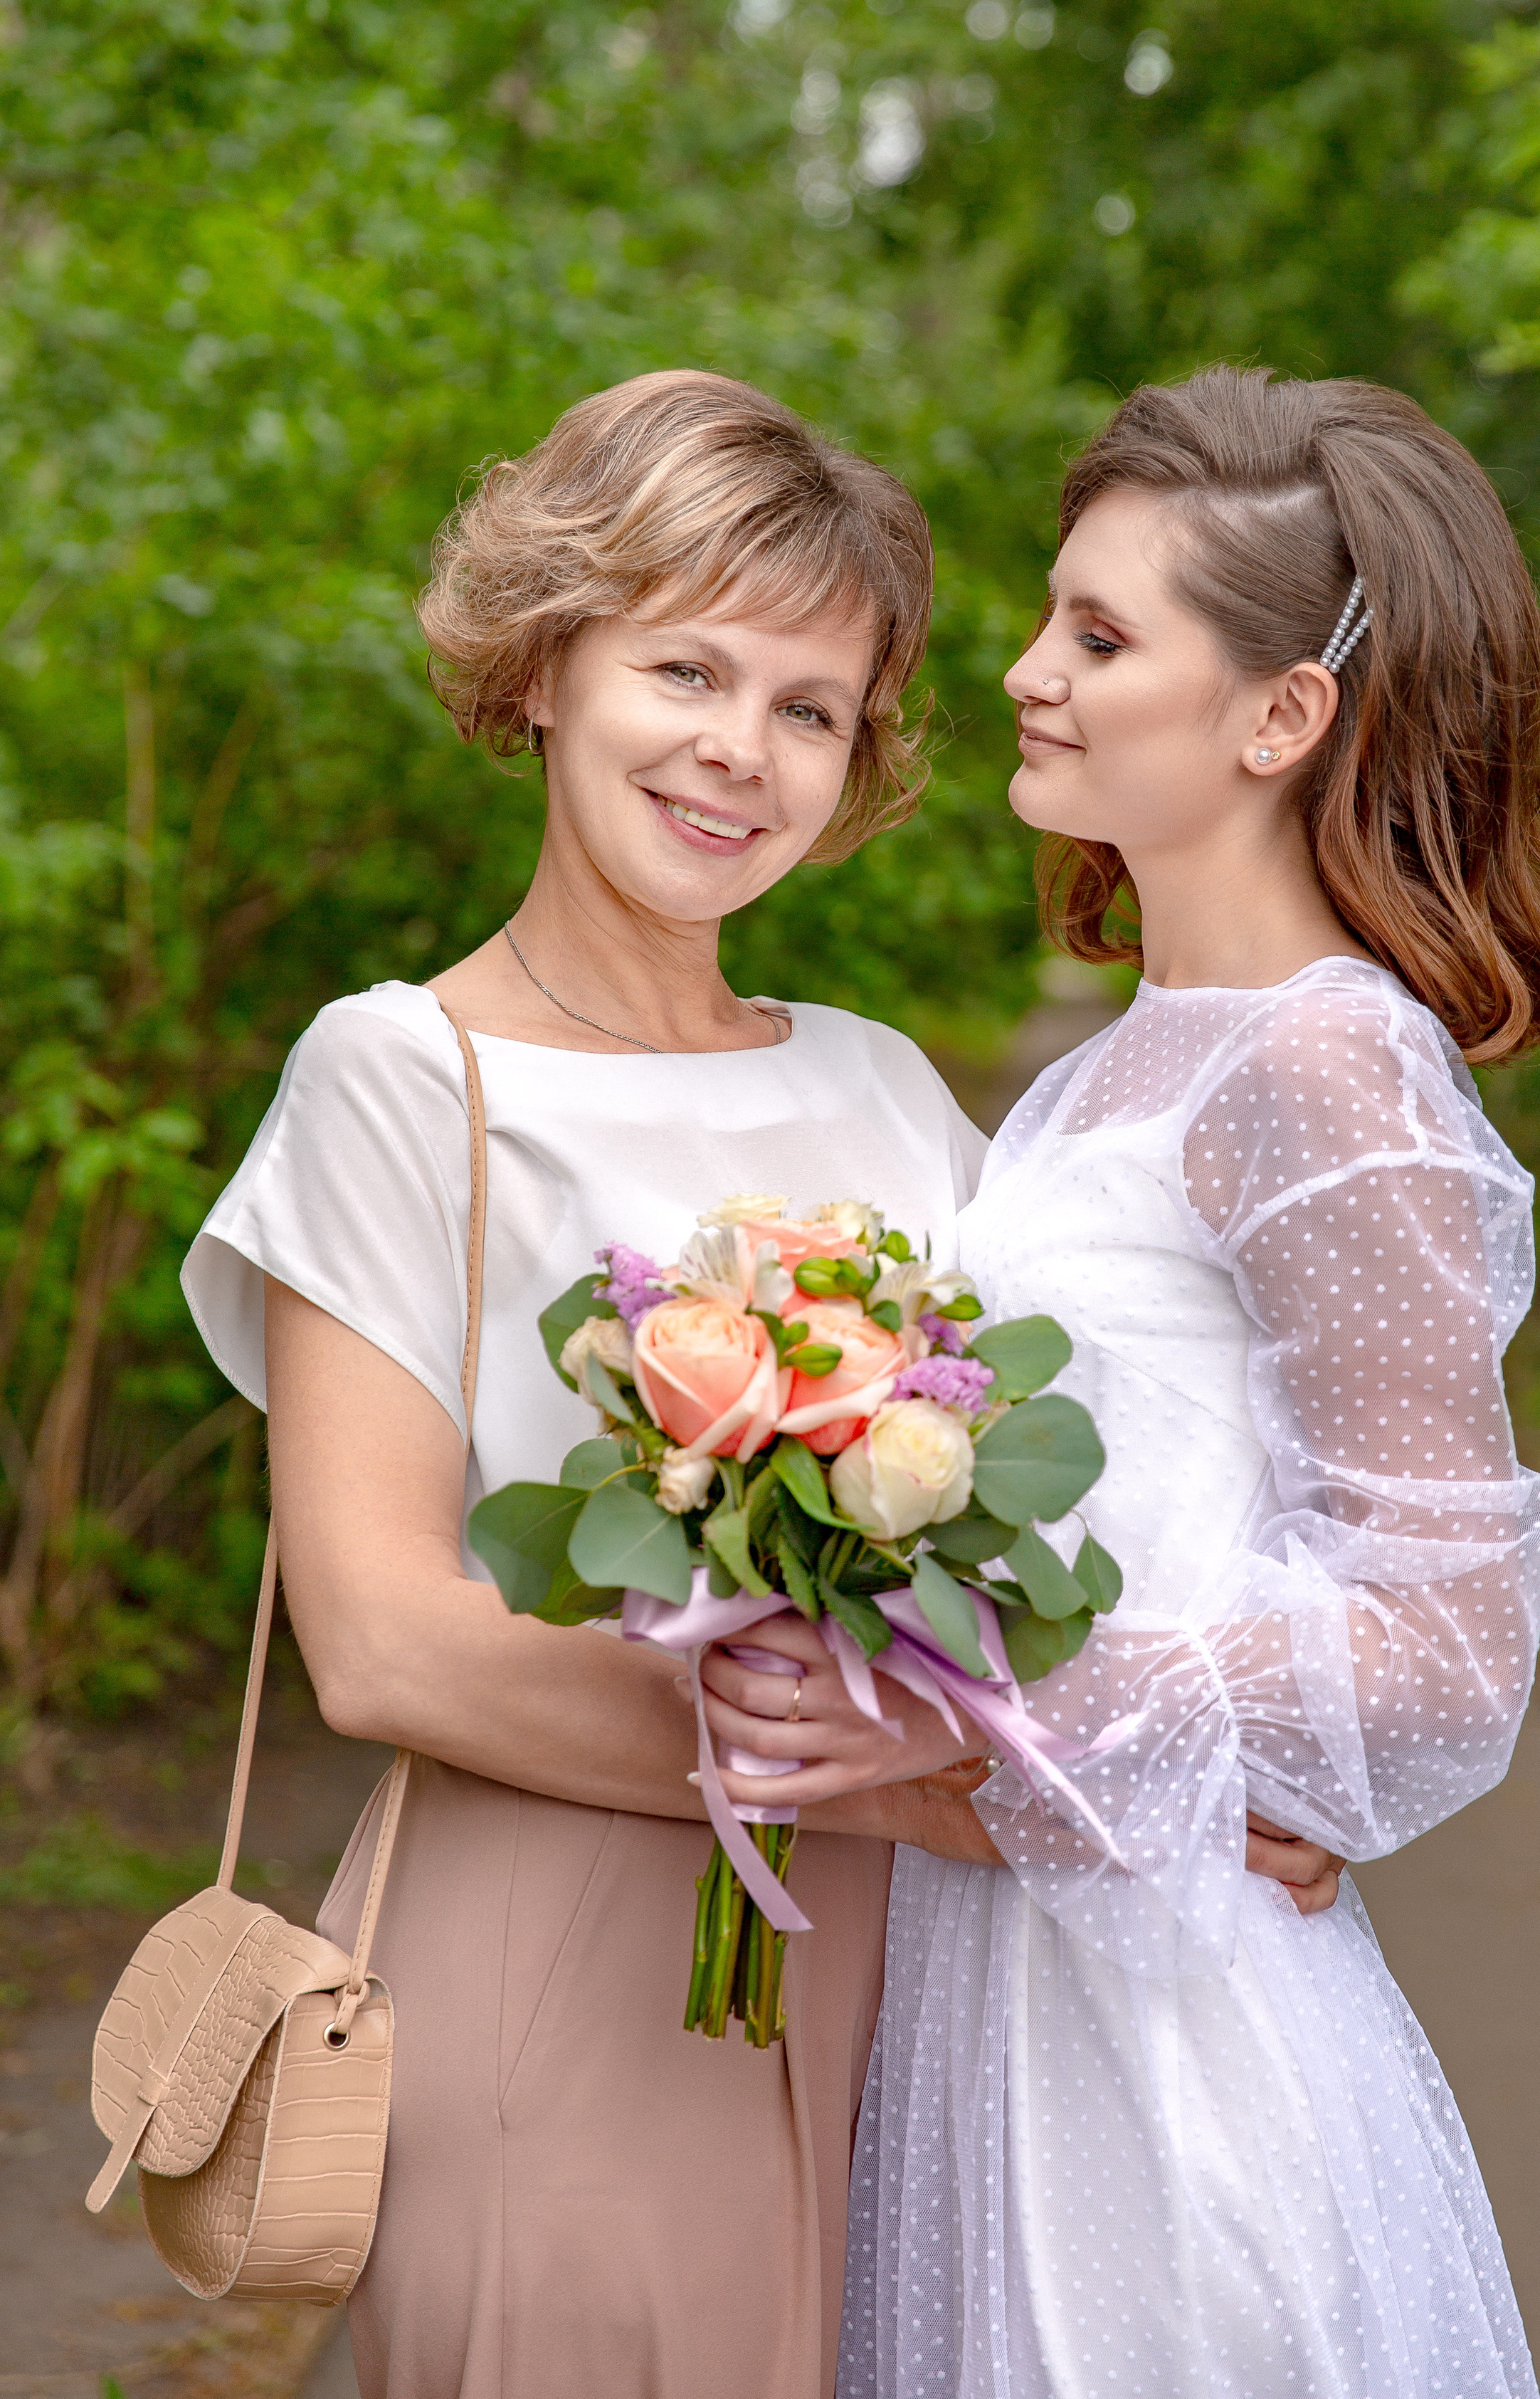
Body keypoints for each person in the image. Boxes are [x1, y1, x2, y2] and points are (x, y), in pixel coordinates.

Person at [709, 364, 1540, 2398]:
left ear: (1284, 715)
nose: (1027, 672)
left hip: (1171, 2029)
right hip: (1023, 1959)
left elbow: (1449, 1646)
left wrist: (978, 1740)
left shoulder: (1327, 1063)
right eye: (1051, 615)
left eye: (1101, 638)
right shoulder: (1117, 1064)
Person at [177, 371, 1008, 2399]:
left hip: (936, 1994)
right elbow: (378, 1644)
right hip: (573, 1956)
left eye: (811, 709)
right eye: (689, 668)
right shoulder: (404, 1074)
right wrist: (924, 1789)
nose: (744, 752)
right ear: (548, 664)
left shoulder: (886, 1085)